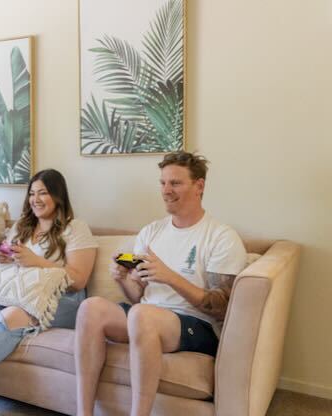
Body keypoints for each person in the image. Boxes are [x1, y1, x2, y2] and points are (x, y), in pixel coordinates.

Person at [74, 151, 247, 416]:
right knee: (91, 307)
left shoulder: (221, 236)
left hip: (195, 323)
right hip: (147, 316)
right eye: (163, 183)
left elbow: (222, 308)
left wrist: (171, 277)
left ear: (199, 186)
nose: (166, 190)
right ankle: (83, 413)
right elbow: (138, 298)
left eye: (175, 183)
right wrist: (122, 280)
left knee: (143, 316)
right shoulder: (152, 231)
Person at [0, 168, 98, 408]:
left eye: (42, 193)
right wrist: (1, 258)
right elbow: (11, 266)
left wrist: (37, 262)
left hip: (62, 301)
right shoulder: (21, 228)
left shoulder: (75, 228)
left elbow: (79, 280)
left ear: (58, 195)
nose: (35, 199)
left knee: (12, 314)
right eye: (32, 193)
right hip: (18, 294)